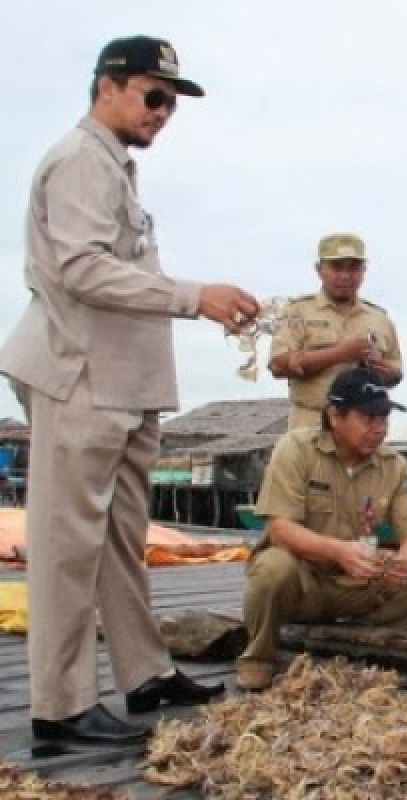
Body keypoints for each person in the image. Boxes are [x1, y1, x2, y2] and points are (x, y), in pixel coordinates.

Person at [0, 36, 259, 745]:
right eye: (153, 95)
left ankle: (143, 674)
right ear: (108, 86)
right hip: (79, 377)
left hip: (122, 386)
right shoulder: (80, 159)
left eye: (171, 103)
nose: (163, 112)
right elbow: (83, 271)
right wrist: (193, 296)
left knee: (119, 537)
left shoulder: (114, 169)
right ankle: (60, 705)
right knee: (66, 545)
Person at [236, 367, 407, 691]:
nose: (379, 429)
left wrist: (406, 563)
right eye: (369, 418)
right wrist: (338, 551)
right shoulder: (295, 449)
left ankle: (361, 645)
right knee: (272, 567)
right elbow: (280, 530)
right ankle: (259, 657)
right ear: (335, 416)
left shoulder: (395, 466)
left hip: (357, 585)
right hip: (304, 584)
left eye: (384, 419)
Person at [269, 233, 403, 430]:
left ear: (364, 271)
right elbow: (278, 365)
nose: (345, 276)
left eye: (354, 268)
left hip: (363, 429)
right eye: (337, 267)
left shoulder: (380, 319)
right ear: (319, 270)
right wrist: (339, 354)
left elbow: (396, 371)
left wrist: (385, 371)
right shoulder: (297, 312)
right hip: (312, 424)